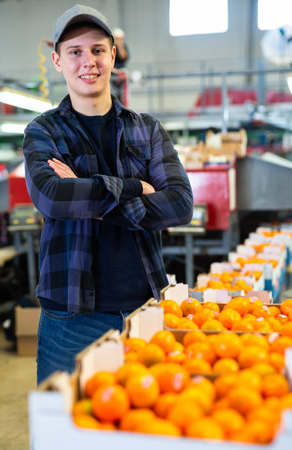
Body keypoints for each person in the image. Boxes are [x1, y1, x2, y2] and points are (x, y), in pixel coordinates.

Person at [22, 4, 193, 385]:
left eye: (98, 50)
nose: (89, 61)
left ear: (113, 55)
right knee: (63, 434)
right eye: (75, 52)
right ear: (57, 61)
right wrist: (137, 188)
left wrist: (91, 197)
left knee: (142, 428)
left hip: (143, 308)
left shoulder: (146, 129)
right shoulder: (42, 131)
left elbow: (180, 204)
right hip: (70, 316)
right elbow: (52, 197)